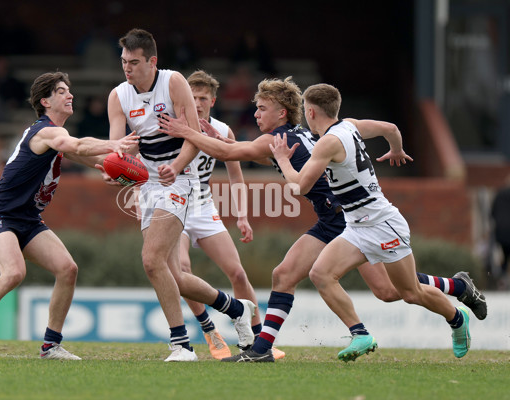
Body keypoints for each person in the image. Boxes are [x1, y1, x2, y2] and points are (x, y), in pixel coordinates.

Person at [158, 77, 486, 362]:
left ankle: (456, 289)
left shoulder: (276, 141)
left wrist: (187, 131)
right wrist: (210, 133)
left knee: (390, 290)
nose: (255, 114)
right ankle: (263, 348)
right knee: (285, 274)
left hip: (349, 218)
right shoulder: (305, 132)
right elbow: (235, 147)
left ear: (281, 112)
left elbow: (230, 153)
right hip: (336, 219)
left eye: (261, 108)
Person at [268, 83, 472, 361]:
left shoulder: (328, 142)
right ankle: (360, 333)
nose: (305, 116)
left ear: (312, 112)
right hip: (356, 225)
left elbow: (302, 186)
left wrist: (283, 160)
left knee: (409, 291)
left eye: (306, 111)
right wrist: (396, 150)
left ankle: (457, 319)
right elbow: (390, 128)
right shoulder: (349, 125)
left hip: (381, 222)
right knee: (321, 274)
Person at [0, 71, 139, 361]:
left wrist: (124, 173)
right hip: (0, 216)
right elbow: (76, 145)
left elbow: (91, 157)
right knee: (14, 273)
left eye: (69, 90)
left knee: (67, 269)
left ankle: (50, 346)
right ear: (45, 101)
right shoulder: (45, 132)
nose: (69, 94)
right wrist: (115, 144)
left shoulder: (57, 138)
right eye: (62, 91)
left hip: (28, 221)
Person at [102, 29, 255, 362]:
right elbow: (118, 148)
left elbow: (194, 135)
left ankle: (181, 346)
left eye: (134, 62)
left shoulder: (173, 83)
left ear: (152, 61)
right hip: (147, 186)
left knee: (150, 259)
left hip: (180, 180)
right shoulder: (118, 96)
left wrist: (178, 165)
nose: (127, 68)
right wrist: (118, 169)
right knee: (173, 276)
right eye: (124, 62)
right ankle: (237, 308)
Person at [178, 70, 270, 360]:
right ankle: (209, 330)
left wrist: (242, 216)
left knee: (237, 272)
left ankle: (259, 341)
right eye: (191, 97)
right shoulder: (171, 125)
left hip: (203, 206)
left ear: (213, 100)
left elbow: (235, 177)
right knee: (181, 269)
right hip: (173, 204)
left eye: (202, 97)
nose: (197, 102)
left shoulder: (222, 130)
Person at [491, 175, 510, 288]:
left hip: (501, 231)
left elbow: (492, 212)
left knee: (505, 255)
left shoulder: (499, 194)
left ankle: (502, 278)